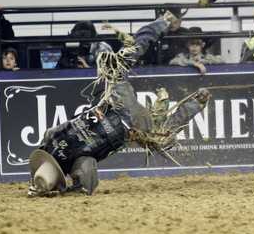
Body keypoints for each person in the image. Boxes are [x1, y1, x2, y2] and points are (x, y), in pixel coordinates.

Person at [27, 12, 212, 196]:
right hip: (116, 103)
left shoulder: (80, 163)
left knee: (160, 139)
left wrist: (65, 188)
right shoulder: (52, 138)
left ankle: (195, 104)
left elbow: (87, 185)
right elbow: (49, 137)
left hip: (131, 126)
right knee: (125, 57)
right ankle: (162, 22)